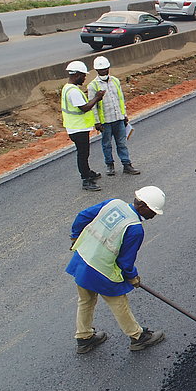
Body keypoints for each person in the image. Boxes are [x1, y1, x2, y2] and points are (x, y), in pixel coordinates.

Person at [67, 186, 167, 353]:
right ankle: (138, 337)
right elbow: (125, 261)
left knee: (86, 300)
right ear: (142, 206)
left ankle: (84, 338)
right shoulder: (135, 228)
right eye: (154, 211)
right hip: (101, 270)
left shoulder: (113, 203)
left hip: (82, 259)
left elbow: (82, 215)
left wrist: (75, 235)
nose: (154, 215)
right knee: (119, 302)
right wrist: (132, 277)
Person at [88, 56, 140, 177]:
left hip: (118, 118)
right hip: (105, 121)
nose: (104, 71)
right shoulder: (93, 86)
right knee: (107, 144)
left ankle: (126, 164)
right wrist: (97, 122)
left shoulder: (115, 81)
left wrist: (124, 115)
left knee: (121, 143)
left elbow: (120, 99)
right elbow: (93, 106)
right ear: (96, 70)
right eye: (101, 70)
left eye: (106, 69)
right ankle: (109, 165)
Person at [62, 60, 106, 191]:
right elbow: (85, 108)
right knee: (83, 154)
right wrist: (96, 98)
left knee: (84, 153)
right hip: (78, 129)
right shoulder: (73, 91)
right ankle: (86, 180)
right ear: (76, 75)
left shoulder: (67, 88)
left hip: (74, 127)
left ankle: (88, 172)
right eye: (83, 75)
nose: (84, 78)